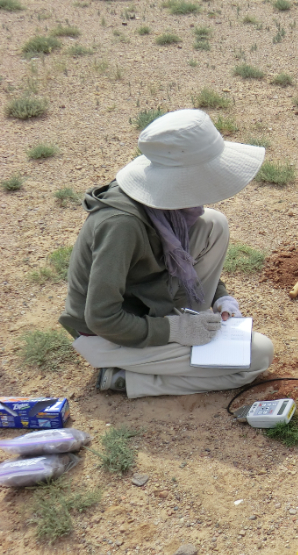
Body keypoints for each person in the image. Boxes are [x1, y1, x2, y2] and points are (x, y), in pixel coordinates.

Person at [59, 109, 275, 399]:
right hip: (109, 336)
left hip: (149, 300)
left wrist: (218, 296)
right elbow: (102, 319)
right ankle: (124, 378)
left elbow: (180, 257)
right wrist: (176, 330)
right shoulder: (121, 226)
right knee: (257, 356)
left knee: (213, 223)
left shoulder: (165, 211)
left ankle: (194, 326)